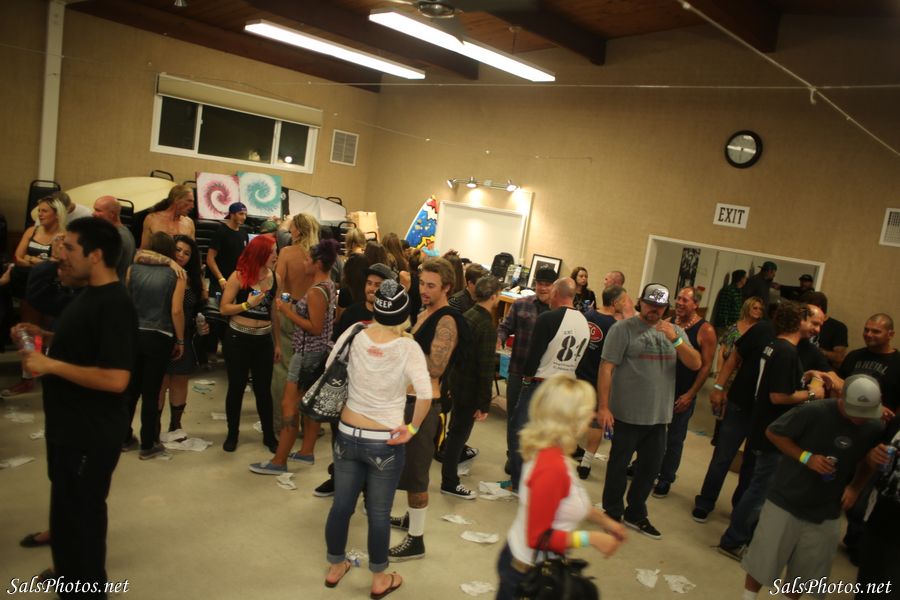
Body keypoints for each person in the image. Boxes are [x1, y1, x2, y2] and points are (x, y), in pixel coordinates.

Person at [17, 217, 137, 598]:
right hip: (68, 429)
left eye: (69, 247)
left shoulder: (116, 304)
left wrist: (50, 365)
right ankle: (67, 575)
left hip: (90, 433)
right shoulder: (86, 294)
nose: (61, 255)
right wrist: (46, 336)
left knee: (83, 518)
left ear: (95, 255)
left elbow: (116, 378)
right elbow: (85, 344)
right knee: (66, 512)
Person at [322, 279, 431, 599]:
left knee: (341, 505)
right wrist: (412, 429)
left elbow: (330, 367)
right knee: (379, 512)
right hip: (385, 440)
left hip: (347, 432)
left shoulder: (355, 333)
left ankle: (335, 566)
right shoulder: (408, 347)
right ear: (404, 314)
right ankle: (379, 579)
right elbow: (424, 394)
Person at [739, 374, 883, 600]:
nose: (859, 419)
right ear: (842, 399)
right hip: (786, 499)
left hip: (827, 510)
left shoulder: (873, 427)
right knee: (763, 560)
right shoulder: (814, 412)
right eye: (855, 412)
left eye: (865, 414)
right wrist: (806, 458)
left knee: (804, 571)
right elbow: (774, 432)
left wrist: (855, 487)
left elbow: (868, 461)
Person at [496, 374, 626, 600]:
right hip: (525, 575)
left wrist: (606, 522)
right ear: (570, 419)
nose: (592, 416)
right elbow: (536, 537)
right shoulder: (551, 468)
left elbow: (567, 500)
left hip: (531, 563)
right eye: (587, 411)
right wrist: (591, 538)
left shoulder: (552, 451)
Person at [716, 301, 828, 560]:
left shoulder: (775, 345)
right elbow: (778, 396)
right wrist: (813, 393)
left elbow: (778, 383)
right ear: (799, 321)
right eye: (813, 322)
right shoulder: (786, 352)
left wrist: (803, 378)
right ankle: (733, 540)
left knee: (756, 485)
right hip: (772, 430)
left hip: (763, 424)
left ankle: (739, 536)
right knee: (759, 491)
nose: (816, 329)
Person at [597, 283, 701, 540]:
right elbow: (606, 368)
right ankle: (612, 511)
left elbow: (695, 363)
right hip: (626, 414)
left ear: (666, 308)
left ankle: (635, 512)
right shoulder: (623, 329)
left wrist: (675, 339)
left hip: (659, 416)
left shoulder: (675, 332)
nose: (654, 310)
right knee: (618, 466)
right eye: (650, 304)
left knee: (649, 470)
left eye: (659, 306)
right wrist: (603, 407)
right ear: (641, 302)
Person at [389, 258, 461, 562]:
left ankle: (416, 539)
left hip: (425, 404)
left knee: (417, 474)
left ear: (447, 287)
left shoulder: (446, 321)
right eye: (422, 283)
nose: (424, 290)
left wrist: (402, 349)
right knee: (408, 470)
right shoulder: (423, 313)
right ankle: (410, 518)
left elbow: (435, 367)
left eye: (431, 285)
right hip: (408, 400)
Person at [249, 239, 339, 475]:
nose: (304, 263)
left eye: (308, 259)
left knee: (289, 405)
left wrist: (287, 311)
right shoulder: (327, 285)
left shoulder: (317, 291)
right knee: (308, 404)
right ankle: (306, 451)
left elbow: (315, 327)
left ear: (318, 263)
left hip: (307, 353)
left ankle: (279, 461)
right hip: (318, 352)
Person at [313, 263, 396, 497]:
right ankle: (338, 479)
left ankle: (368, 489)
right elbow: (337, 348)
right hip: (347, 388)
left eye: (378, 285)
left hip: (375, 394)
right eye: (369, 283)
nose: (372, 288)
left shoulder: (393, 320)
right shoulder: (351, 313)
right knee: (340, 437)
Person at [508, 277, 590, 492]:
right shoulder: (584, 322)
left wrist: (526, 378)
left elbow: (534, 354)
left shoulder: (548, 318)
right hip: (566, 386)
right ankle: (542, 480)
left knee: (519, 431)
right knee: (552, 438)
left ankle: (519, 483)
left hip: (542, 384)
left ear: (556, 294)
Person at [694, 297, 769, 522]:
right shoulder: (748, 330)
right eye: (754, 307)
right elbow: (729, 354)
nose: (758, 310)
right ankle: (705, 502)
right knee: (722, 455)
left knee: (751, 465)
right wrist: (719, 384)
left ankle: (740, 509)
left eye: (761, 308)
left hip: (763, 411)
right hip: (738, 397)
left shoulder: (776, 335)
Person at [124, 232, 185, 459]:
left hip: (133, 333)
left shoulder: (132, 269)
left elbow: (125, 301)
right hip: (160, 335)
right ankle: (148, 444)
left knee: (131, 389)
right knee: (151, 392)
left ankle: (123, 437)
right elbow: (176, 310)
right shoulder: (177, 274)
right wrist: (180, 339)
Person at [219, 235, 280, 453]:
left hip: (263, 340)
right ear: (261, 253)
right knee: (236, 387)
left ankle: (269, 436)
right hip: (238, 339)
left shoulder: (275, 277)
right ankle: (232, 434)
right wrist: (247, 304)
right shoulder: (239, 276)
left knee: (263, 390)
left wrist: (277, 343)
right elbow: (224, 308)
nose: (276, 255)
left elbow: (274, 312)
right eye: (273, 251)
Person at [441, 275, 501, 499]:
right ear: (494, 296)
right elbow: (486, 368)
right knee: (458, 435)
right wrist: (484, 404)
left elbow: (454, 355)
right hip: (470, 389)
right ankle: (449, 481)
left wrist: (449, 383)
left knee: (455, 431)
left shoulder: (466, 315)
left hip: (457, 382)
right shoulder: (486, 325)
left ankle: (450, 474)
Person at [654, 287, 717, 497]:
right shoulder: (669, 321)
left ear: (696, 304)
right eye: (678, 298)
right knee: (652, 432)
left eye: (685, 300)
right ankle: (644, 465)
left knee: (674, 438)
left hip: (682, 392)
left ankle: (665, 478)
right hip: (661, 389)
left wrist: (690, 394)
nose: (679, 303)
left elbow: (705, 367)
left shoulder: (705, 330)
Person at [4, 195, 66, 397]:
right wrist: (40, 262)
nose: (40, 214)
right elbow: (18, 257)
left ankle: (47, 372)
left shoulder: (62, 236)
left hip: (51, 290)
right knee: (29, 332)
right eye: (39, 211)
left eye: (44, 211)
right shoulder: (32, 231)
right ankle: (28, 377)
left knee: (47, 332)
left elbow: (59, 262)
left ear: (56, 214)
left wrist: (33, 260)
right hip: (29, 287)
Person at [496, 267, 555, 473]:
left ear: (554, 287)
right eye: (540, 283)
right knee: (514, 418)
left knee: (539, 420)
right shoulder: (521, 304)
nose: (543, 288)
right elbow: (505, 327)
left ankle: (531, 460)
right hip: (518, 370)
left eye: (547, 284)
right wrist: (499, 338)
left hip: (545, 377)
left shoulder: (558, 312)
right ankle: (513, 457)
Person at [158, 235, 208, 433]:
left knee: (180, 381)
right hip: (163, 333)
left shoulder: (193, 279)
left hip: (185, 334)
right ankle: (154, 428)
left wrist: (201, 324)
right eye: (178, 250)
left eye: (186, 253)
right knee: (161, 382)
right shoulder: (160, 272)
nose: (181, 255)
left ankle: (175, 425)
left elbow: (197, 308)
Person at [575, 285, 623, 479]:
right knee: (596, 422)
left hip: (579, 373)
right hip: (599, 378)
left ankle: (564, 451)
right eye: (623, 300)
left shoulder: (586, 316)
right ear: (615, 302)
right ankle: (585, 464)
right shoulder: (616, 327)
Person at [854, 412, 900, 598]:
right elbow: (872, 458)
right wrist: (872, 457)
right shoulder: (897, 422)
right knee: (867, 588)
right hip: (879, 520)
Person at [206, 202, 249, 299]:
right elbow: (210, 258)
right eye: (241, 214)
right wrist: (220, 278)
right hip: (220, 282)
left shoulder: (244, 233)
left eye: (245, 214)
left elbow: (244, 258)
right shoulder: (221, 232)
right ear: (232, 214)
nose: (244, 217)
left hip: (236, 281)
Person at [91, 195, 135, 281]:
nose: (93, 213)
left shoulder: (114, 239)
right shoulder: (124, 232)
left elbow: (102, 271)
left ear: (112, 214)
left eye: (98, 210)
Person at [802, 291, 849, 370]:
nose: (803, 312)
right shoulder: (802, 322)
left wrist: (817, 350)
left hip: (821, 371)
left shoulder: (837, 327)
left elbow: (839, 357)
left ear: (818, 308)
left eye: (806, 310)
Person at [710, 269, 747, 336]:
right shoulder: (729, 290)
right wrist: (726, 325)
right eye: (745, 277)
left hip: (734, 325)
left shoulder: (739, 291)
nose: (746, 279)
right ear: (741, 279)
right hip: (725, 326)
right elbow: (724, 308)